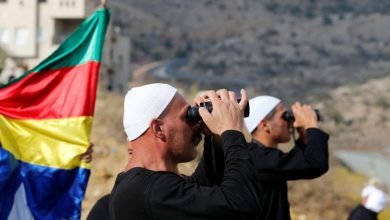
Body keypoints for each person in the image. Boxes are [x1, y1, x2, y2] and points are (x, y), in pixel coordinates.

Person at [107, 83, 261, 220]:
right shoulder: (149, 191)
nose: (195, 125)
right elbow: (241, 204)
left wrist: (215, 138)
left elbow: (205, 187)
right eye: (187, 116)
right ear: (158, 128)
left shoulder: (142, 186)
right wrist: (231, 130)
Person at [242, 95, 329, 220]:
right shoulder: (255, 158)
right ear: (265, 125)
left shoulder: (258, 155)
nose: (290, 122)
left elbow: (305, 162)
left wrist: (304, 132)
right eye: (285, 117)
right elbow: (315, 164)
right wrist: (310, 125)